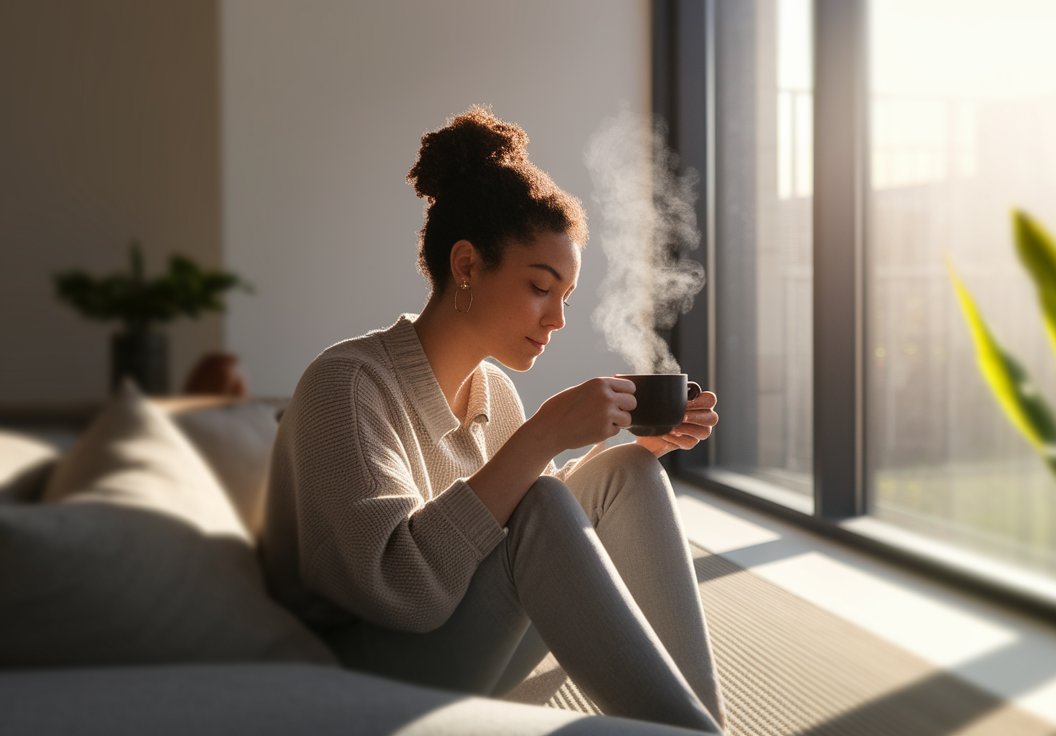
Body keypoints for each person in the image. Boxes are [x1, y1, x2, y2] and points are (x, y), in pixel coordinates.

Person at [260, 106, 725, 734]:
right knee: (544, 503)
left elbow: (525, 544)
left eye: (565, 297)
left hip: (459, 645)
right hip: (361, 679)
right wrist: (542, 437)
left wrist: (640, 447)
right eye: (541, 287)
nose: (557, 319)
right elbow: (399, 589)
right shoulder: (345, 386)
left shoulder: (493, 391)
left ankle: (702, 726)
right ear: (467, 266)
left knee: (625, 473)